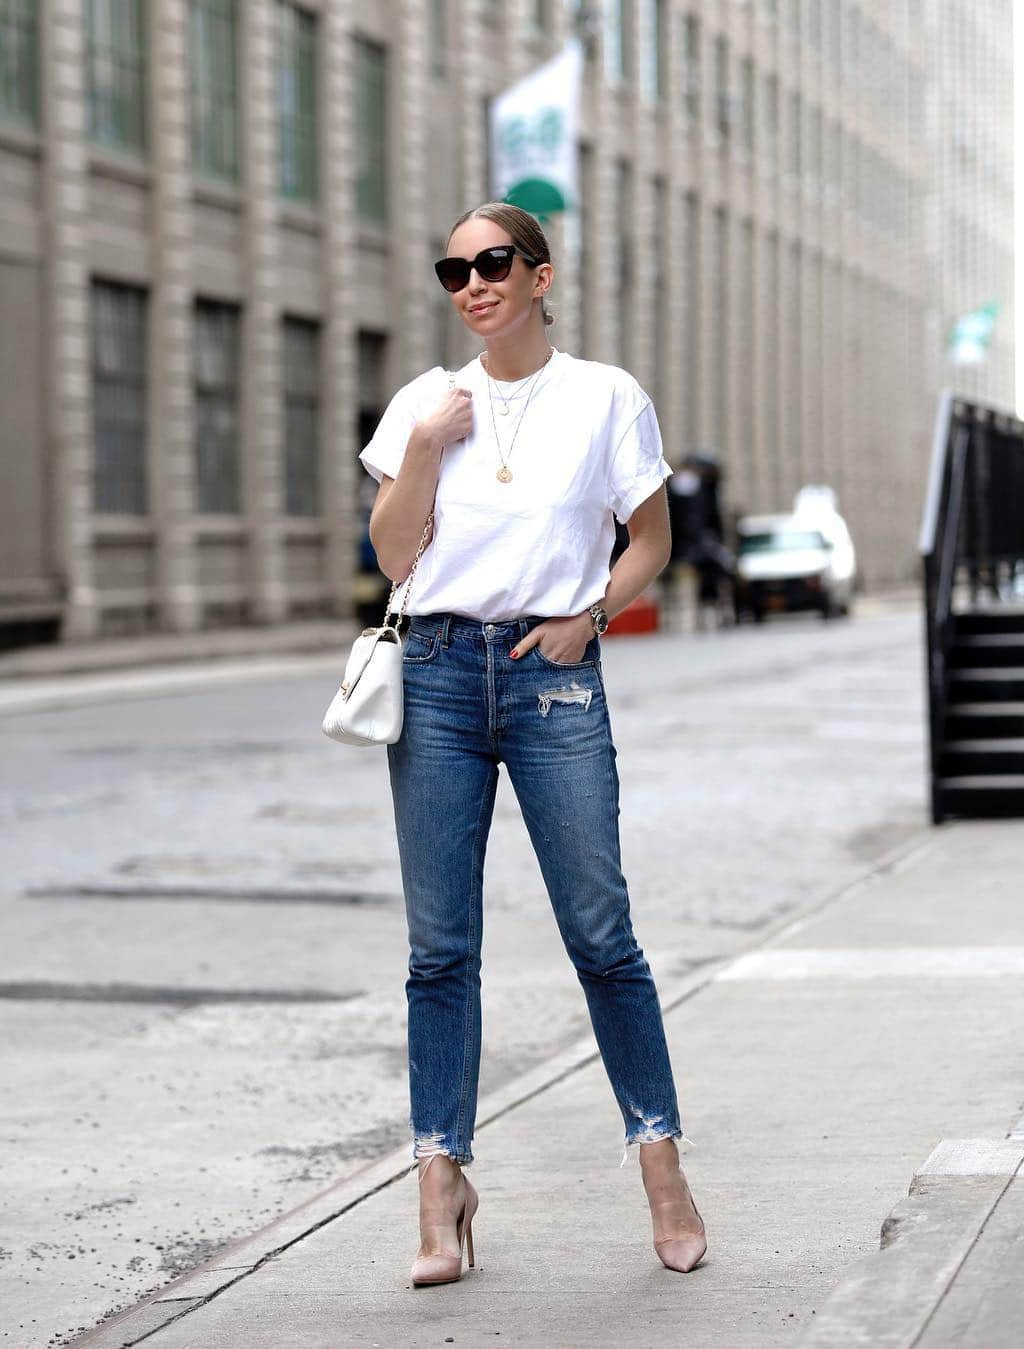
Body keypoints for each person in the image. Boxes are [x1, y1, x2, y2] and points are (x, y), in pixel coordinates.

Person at [360, 202, 707, 1286]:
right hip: (436, 675)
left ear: (540, 275)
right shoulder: (425, 400)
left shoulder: (607, 396)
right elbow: (389, 552)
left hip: (554, 679)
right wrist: (423, 447)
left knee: (602, 931)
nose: (473, 282)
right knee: (439, 948)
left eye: (493, 262)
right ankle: (439, 1179)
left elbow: (651, 537)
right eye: (454, 268)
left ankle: (660, 1160)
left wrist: (589, 617)